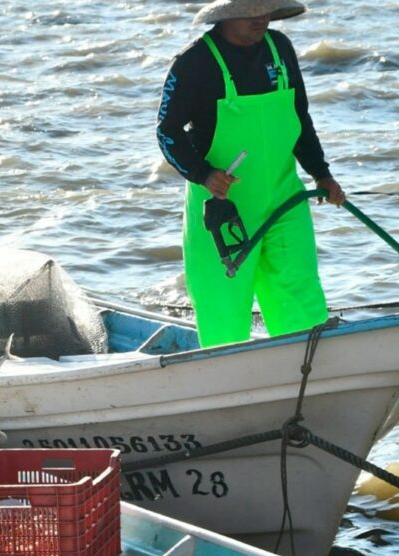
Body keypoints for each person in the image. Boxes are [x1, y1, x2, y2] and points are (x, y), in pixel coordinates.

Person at [157, 0, 346, 347]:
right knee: (224, 317)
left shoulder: (281, 48)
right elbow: (167, 132)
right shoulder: (195, 62)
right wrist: (203, 173)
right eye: (251, 10)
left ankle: (311, 376)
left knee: (300, 301)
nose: (262, 18)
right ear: (226, 14)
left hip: (284, 199)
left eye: (267, 9)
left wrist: (322, 174)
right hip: (222, 209)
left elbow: (299, 118)